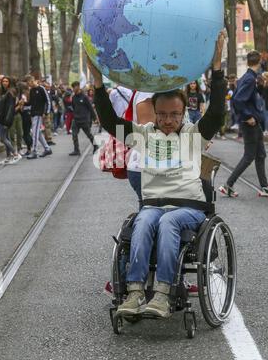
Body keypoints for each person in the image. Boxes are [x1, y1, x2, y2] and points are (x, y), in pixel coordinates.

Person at [90, 30, 227, 318]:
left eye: (174, 115)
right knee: (143, 221)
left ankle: (163, 294)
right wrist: (98, 83)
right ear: (154, 112)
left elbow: (215, 112)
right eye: (162, 114)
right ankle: (136, 290)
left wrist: (217, 68)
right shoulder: (143, 136)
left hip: (187, 208)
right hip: (154, 205)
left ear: (183, 113)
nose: (167, 120)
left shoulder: (193, 135)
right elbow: (108, 121)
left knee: (168, 222)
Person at [219, 50, 268, 199]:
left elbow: (236, 98)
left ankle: (264, 187)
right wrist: (248, 116)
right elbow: (238, 100)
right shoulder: (249, 79)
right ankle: (228, 185)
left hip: (254, 123)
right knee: (249, 156)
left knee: (260, 155)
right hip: (250, 123)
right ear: (259, 63)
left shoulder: (247, 77)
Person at [26, 75, 52, 160]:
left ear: (32, 80)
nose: (28, 84)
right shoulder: (31, 90)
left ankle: (34, 151)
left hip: (39, 114)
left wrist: (46, 112)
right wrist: (24, 104)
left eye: (28, 82)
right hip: (33, 114)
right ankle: (47, 148)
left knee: (35, 133)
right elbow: (31, 102)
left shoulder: (41, 89)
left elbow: (47, 100)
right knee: (37, 132)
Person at [69, 81, 99, 156]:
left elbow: (90, 108)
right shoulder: (73, 97)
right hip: (76, 120)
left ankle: (96, 146)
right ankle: (76, 150)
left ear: (78, 87)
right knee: (74, 135)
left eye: (75, 86)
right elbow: (73, 107)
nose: (74, 88)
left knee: (89, 135)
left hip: (84, 120)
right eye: (73, 87)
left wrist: (94, 118)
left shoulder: (84, 97)